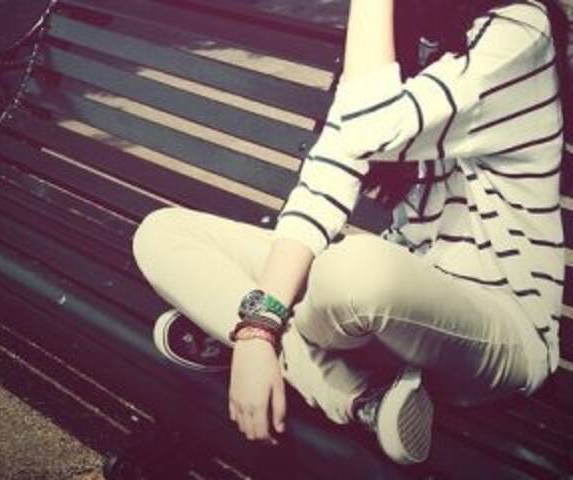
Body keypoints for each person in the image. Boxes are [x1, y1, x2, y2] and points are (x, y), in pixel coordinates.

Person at [132, 0, 571, 465]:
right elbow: (326, 177)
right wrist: (257, 331)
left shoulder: (521, 30)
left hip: (498, 331)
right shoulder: (414, 35)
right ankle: (360, 396)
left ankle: (250, 327)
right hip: (388, 319)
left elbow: (368, 130)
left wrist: (262, 317)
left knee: (352, 271)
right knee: (164, 234)